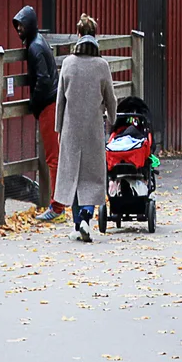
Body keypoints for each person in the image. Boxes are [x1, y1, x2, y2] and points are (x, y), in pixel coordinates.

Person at [54, 14, 116, 242]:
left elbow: (60, 100)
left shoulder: (68, 63)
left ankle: (76, 223)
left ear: (78, 35)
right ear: (96, 36)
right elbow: (111, 99)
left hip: (71, 129)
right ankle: (87, 218)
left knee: (73, 176)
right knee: (91, 175)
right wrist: (112, 119)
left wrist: (58, 128)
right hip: (92, 129)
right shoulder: (102, 66)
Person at [13, 5, 64, 221]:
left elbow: (43, 79)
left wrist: (34, 102)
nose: (19, 30)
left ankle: (57, 206)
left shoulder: (34, 48)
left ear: (30, 25)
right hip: (50, 103)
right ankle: (61, 201)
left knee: (53, 157)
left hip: (47, 105)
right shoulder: (39, 43)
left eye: (21, 26)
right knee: (55, 155)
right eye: (17, 27)